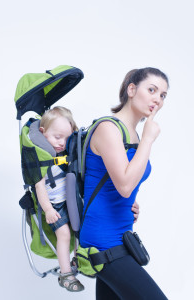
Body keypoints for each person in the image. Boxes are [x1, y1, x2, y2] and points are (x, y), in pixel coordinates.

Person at [79, 68, 169, 299]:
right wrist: (148, 139)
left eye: (162, 95)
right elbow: (125, 185)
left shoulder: (135, 134)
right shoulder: (108, 128)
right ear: (131, 89)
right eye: (152, 90)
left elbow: (121, 183)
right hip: (102, 240)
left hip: (122, 235)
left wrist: (130, 201)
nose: (157, 99)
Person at [35, 106, 84, 292]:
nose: (61, 143)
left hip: (73, 200)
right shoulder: (41, 157)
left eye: (66, 138)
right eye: (57, 137)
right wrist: (48, 209)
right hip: (55, 205)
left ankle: (78, 260)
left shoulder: (68, 152)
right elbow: (39, 186)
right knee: (63, 234)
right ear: (43, 132)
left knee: (81, 231)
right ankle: (65, 275)